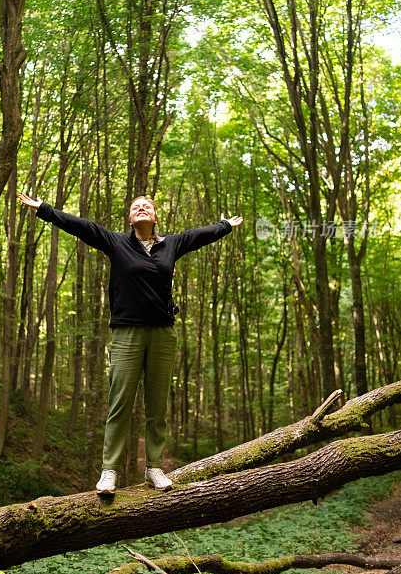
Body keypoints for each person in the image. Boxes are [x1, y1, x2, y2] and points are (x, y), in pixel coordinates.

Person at [19, 192, 243, 494]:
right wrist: (44, 209)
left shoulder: (170, 245)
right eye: (136, 206)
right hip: (127, 333)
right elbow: (81, 226)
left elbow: (198, 236)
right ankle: (109, 471)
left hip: (163, 334)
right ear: (130, 218)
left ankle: (154, 468)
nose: (141, 208)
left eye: (147, 206)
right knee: (120, 404)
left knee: (157, 407)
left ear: (154, 216)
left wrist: (225, 226)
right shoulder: (117, 243)